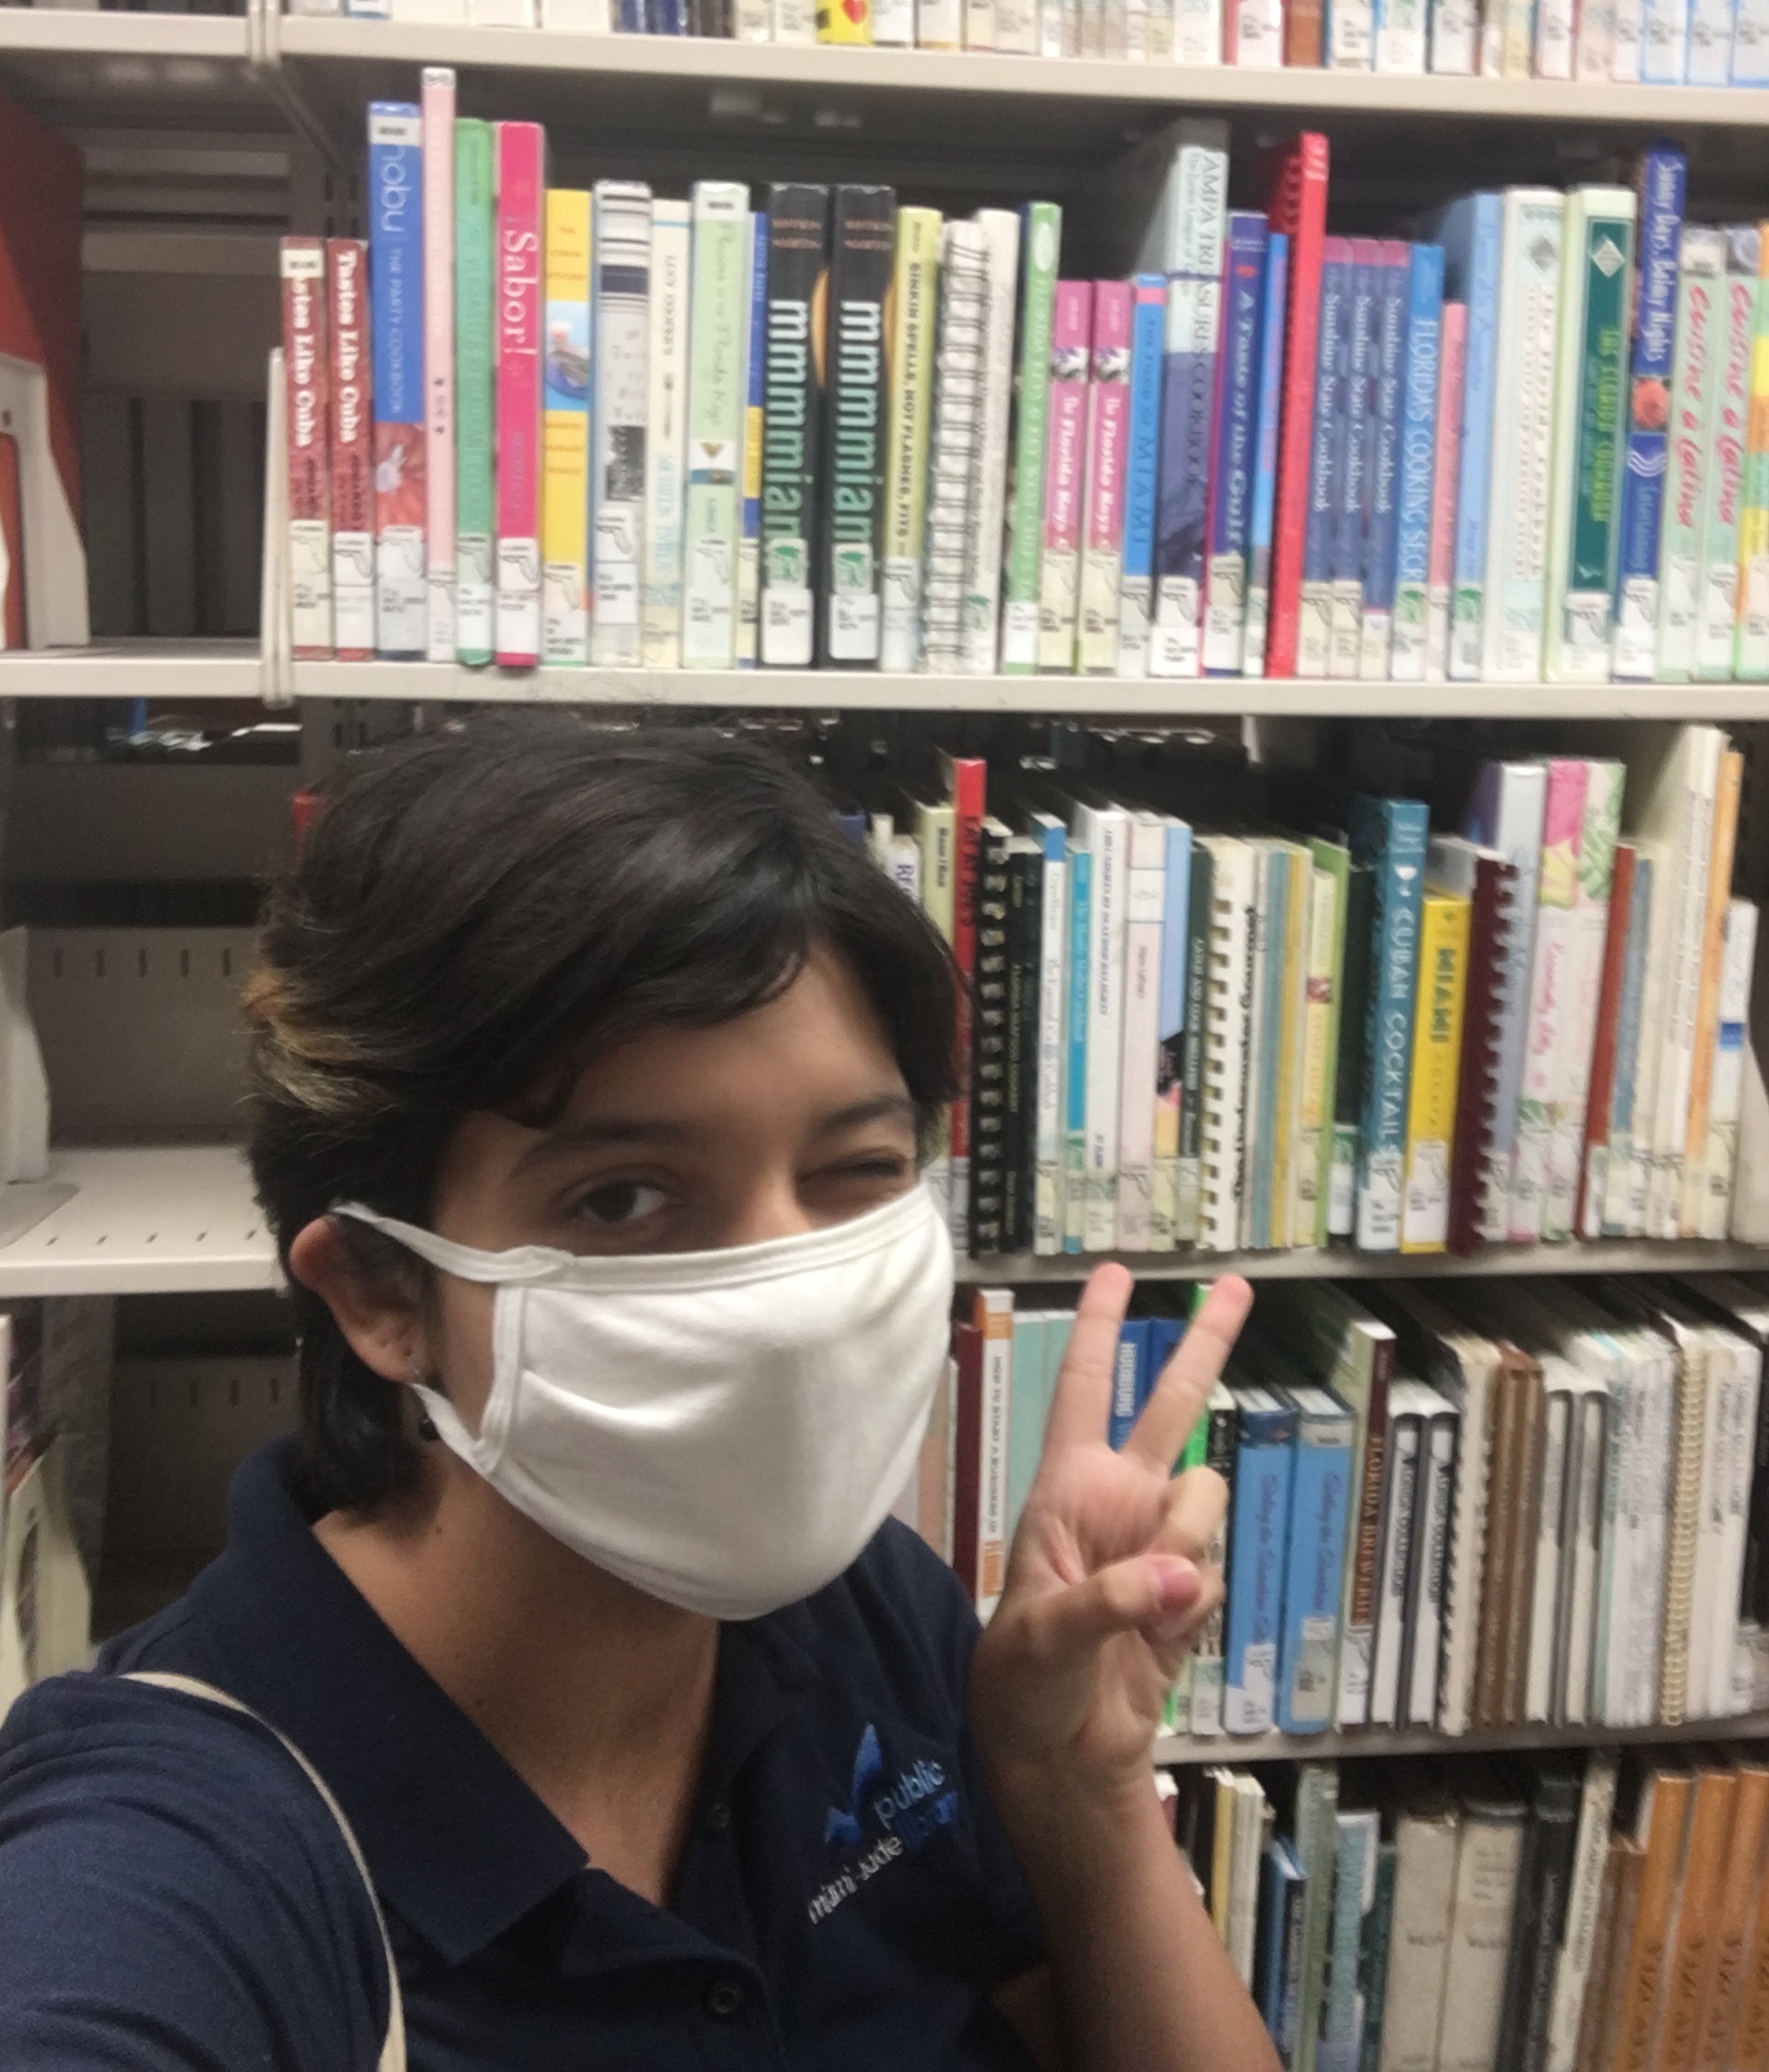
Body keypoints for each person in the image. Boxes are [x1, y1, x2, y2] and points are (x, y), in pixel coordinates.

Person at [0, 713, 1276, 2072]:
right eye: (624, 1196)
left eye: (854, 1167)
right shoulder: (187, 1844)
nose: (786, 1298)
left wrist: (1080, 1794)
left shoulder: (868, 1614)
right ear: (380, 1290)